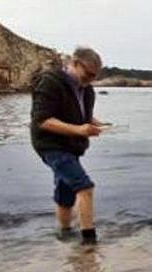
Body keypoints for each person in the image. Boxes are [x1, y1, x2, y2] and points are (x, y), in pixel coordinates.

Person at [30, 47, 104, 244]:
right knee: (85, 187)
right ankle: (89, 244)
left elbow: (82, 115)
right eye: (88, 74)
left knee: (66, 193)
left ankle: (64, 236)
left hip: (72, 146)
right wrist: (79, 130)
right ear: (75, 63)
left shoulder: (88, 90)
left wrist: (95, 123)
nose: (91, 79)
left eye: (95, 76)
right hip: (50, 144)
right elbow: (43, 120)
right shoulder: (50, 82)